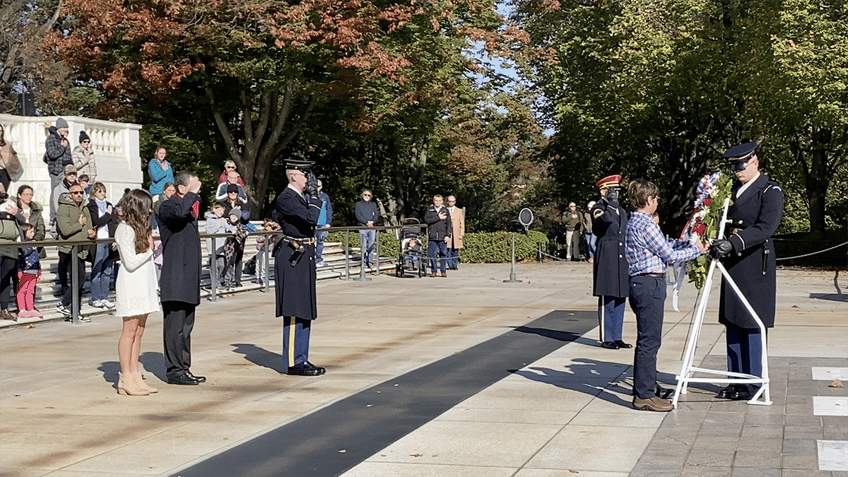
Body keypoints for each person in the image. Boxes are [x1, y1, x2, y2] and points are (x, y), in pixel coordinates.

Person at [710, 141, 784, 401]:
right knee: (733, 321)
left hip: (754, 263)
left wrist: (734, 242)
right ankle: (736, 380)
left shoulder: (770, 190)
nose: (738, 170)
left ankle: (754, 383)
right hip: (732, 262)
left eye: (742, 165)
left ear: (755, 162)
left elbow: (766, 227)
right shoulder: (732, 190)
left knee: (752, 323)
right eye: (734, 166)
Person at [625, 179, 707, 412]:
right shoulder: (646, 224)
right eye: (657, 198)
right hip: (648, 283)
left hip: (642, 283)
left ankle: (647, 386)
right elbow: (668, 255)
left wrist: (684, 244)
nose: (658, 202)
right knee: (650, 341)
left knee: (648, 339)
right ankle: (644, 395)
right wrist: (696, 249)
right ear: (649, 200)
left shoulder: (635, 222)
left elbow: (664, 247)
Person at [273, 159, 325, 376]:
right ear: (294, 176)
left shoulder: (298, 198)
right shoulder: (286, 198)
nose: (308, 179)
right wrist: (314, 196)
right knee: (295, 310)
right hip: (293, 255)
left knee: (305, 309)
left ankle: (302, 357)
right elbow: (311, 218)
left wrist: (312, 196)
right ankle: (294, 361)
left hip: (305, 255)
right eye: (305, 175)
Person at [158, 170, 206, 385]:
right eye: (194, 187)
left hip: (188, 276)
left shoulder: (187, 208)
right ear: (181, 188)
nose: (197, 193)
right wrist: (191, 195)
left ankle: (184, 367)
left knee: (186, 327)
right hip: (175, 277)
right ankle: (175, 370)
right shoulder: (169, 206)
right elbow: (177, 215)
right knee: (175, 327)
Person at [114, 189, 161, 396]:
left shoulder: (140, 229)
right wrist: (150, 250)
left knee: (139, 332)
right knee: (129, 331)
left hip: (145, 284)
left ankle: (135, 374)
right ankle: (125, 376)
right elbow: (130, 262)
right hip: (131, 284)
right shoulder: (124, 229)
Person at [591, 175, 630, 350]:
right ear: (603, 191)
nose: (616, 194)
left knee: (621, 296)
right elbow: (600, 225)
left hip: (621, 255)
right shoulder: (598, 208)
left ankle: (617, 335)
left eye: (617, 191)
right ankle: (607, 337)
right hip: (607, 254)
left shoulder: (621, 210)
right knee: (608, 295)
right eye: (612, 190)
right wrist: (611, 204)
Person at [56, 183, 92, 321]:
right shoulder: (63, 209)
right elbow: (65, 230)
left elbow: (89, 226)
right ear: (70, 194)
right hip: (68, 249)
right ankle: (63, 303)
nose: (78, 195)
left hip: (82, 249)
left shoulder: (85, 208)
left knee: (80, 282)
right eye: (75, 192)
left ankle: (76, 312)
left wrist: (91, 233)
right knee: (79, 278)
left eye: (81, 192)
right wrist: (80, 224)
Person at [85, 183, 118, 309]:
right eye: (99, 191)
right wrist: (107, 215)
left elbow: (114, 223)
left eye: (103, 191)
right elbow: (97, 222)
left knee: (107, 270)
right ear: (94, 193)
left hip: (108, 240)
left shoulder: (109, 205)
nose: (102, 194)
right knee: (97, 269)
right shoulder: (91, 206)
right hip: (98, 240)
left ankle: (105, 297)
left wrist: (114, 238)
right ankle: (96, 298)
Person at [45, 118, 73, 222]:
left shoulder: (65, 140)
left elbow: (69, 157)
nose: (66, 130)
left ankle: (64, 217)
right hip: (56, 172)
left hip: (66, 172)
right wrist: (62, 147)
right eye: (64, 127)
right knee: (55, 195)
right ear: (59, 128)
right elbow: (52, 155)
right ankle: (54, 219)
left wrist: (72, 171)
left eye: (66, 128)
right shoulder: (50, 139)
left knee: (66, 194)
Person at [0, 187, 19, 321]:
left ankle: (4, 309)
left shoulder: (11, 204)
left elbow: (25, 222)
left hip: (11, 246)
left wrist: (16, 214)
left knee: (6, 279)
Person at [16, 223, 42, 319]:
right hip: (24, 270)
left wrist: (39, 269)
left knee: (30, 291)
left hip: (33, 270)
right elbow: (23, 254)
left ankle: (30, 308)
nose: (33, 233)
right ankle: (22, 309)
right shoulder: (24, 243)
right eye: (30, 231)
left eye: (33, 231)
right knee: (22, 290)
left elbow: (36, 258)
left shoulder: (33, 243)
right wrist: (31, 247)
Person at [205, 202, 232, 287]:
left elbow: (228, 228)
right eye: (219, 210)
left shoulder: (223, 220)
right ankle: (214, 283)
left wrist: (233, 230)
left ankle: (218, 280)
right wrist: (218, 224)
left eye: (222, 211)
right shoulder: (209, 220)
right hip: (212, 247)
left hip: (221, 247)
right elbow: (210, 231)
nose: (221, 212)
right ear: (214, 210)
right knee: (213, 267)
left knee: (221, 265)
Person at [424, 194, 452, 278]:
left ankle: (443, 271)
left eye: (439, 201)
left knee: (443, 254)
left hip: (442, 236)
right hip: (432, 236)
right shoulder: (430, 210)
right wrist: (438, 217)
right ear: (433, 201)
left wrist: (448, 235)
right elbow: (427, 220)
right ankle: (434, 271)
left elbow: (449, 224)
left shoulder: (445, 210)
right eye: (436, 200)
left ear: (442, 201)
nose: (437, 202)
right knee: (432, 254)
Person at [354, 189, 378, 269]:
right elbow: (358, 215)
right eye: (365, 195)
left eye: (368, 195)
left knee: (371, 245)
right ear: (362, 195)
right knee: (363, 245)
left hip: (372, 227)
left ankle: (370, 261)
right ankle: (363, 261)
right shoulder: (358, 204)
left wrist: (372, 222)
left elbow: (376, 216)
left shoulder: (373, 204)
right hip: (362, 227)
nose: (367, 196)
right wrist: (366, 222)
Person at [51, 165, 77, 234]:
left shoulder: (79, 188)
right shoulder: (58, 189)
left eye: (74, 174)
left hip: (77, 220)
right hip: (64, 220)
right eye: (69, 174)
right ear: (65, 175)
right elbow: (56, 207)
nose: (72, 176)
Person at [314, 180, 333, 267]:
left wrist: (328, 222)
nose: (317, 188)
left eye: (319, 186)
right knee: (310, 242)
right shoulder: (308, 195)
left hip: (322, 223)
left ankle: (318, 259)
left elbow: (329, 209)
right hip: (312, 223)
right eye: (316, 186)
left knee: (320, 242)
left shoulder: (325, 196)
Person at [255, 219, 278, 286]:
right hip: (261, 249)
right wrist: (265, 236)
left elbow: (279, 227)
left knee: (264, 263)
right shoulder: (262, 232)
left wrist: (272, 224)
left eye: (269, 226)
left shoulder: (274, 233)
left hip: (268, 250)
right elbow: (258, 239)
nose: (268, 228)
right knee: (258, 262)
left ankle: (263, 276)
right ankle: (258, 277)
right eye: (266, 226)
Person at [445, 195, 464, 270]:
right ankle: (449, 265)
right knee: (448, 249)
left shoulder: (459, 211)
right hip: (447, 233)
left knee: (455, 250)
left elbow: (462, 223)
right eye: (450, 201)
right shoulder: (445, 210)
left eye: (453, 201)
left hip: (456, 233)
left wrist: (461, 234)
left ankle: (455, 264)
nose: (451, 202)